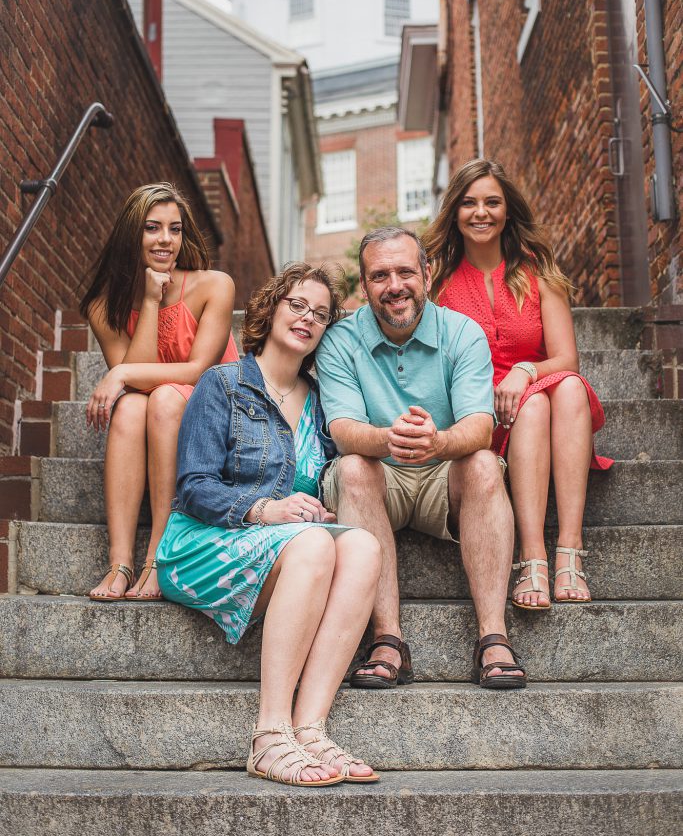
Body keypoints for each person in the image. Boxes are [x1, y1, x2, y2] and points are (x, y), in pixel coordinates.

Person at [156, 263, 381, 787]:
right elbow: (192, 486)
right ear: (271, 308)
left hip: (282, 544)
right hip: (202, 542)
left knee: (364, 547)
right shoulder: (224, 384)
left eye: (321, 314)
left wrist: (315, 511)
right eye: (297, 305)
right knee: (311, 547)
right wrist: (266, 509)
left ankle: (309, 730)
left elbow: (312, 488)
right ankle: (269, 736)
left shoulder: (322, 402)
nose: (307, 318)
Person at [315, 226, 526, 691]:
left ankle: (494, 637)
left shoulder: (461, 333)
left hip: (442, 478)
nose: (394, 285)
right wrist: (388, 438)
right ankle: (388, 640)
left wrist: (439, 444)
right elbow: (343, 430)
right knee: (351, 467)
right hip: (376, 476)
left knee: (485, 463)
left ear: (427, 275)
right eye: (379, 275)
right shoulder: (340, 340)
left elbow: (481, 425)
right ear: (364, 284)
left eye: (405, 271)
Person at [423, 159, 613, 610]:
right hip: (481, 415)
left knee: (565, 388)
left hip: (540, 404)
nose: (481, 212)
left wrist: (525, 371)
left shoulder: (538, 271)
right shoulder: (438, 283)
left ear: (508, 210)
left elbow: (567, 358)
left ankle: (568, 550)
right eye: (468, 203)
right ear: (454, 212)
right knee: (536, 405)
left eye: (492, 201)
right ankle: (532, 555)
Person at [80, 182, 238, 601]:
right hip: (152, 418)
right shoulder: (103, 306)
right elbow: (131, 382)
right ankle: (120, 563)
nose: (166, 240)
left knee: (164, 396)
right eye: (153, 228)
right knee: (131, 407)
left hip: (216, 413)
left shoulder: (213, 285)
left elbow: (200, 371)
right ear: (133, 232)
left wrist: (122, 373)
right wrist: (150, 301)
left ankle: (158, 559)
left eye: (175, 229)